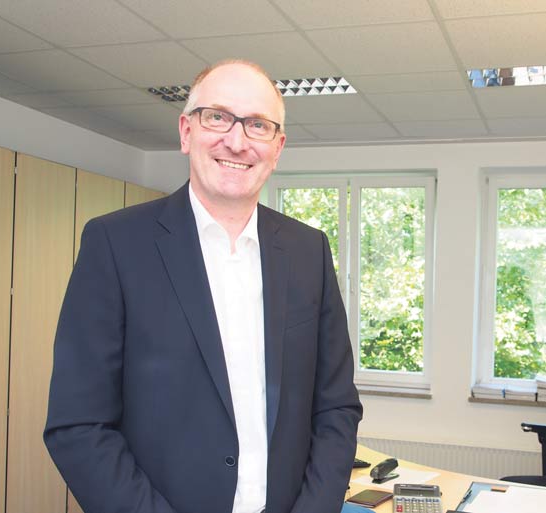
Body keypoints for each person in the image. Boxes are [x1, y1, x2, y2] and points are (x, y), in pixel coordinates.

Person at [44, 60, 363, 513]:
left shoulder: (308, 250)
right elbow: (78, 425)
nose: (237, 141)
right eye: (218, 117)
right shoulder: (115, 244)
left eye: (258, 125)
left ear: (277, 148)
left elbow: (336, 408)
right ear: (186, 131)